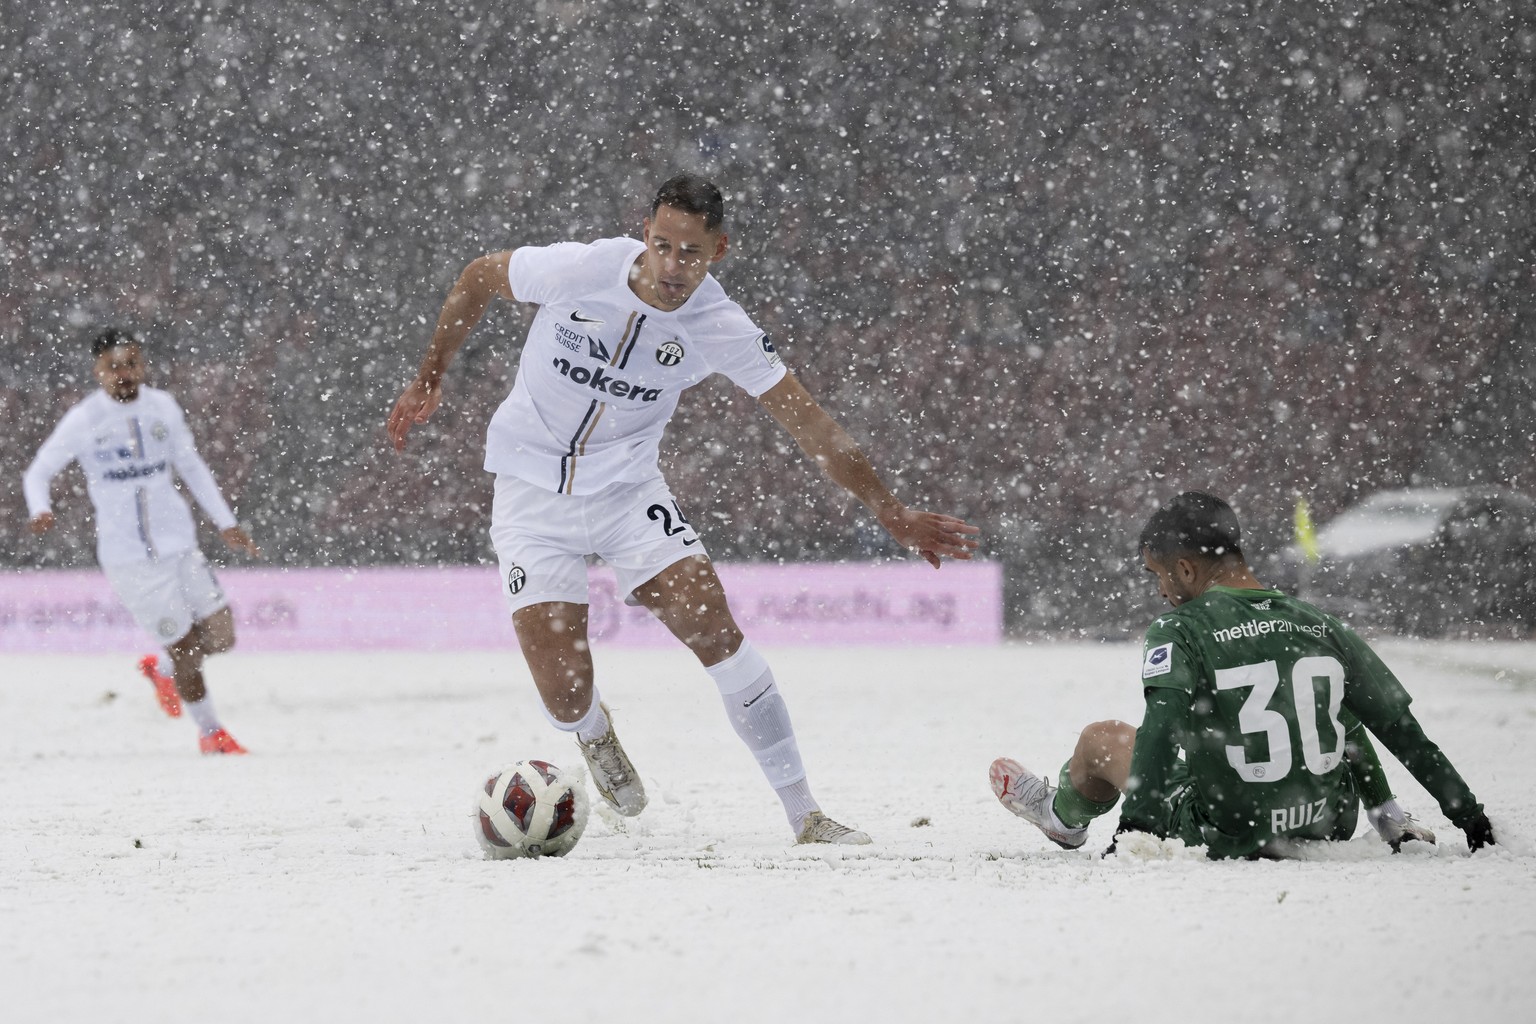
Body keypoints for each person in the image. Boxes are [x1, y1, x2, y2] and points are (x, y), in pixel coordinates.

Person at [388, 173, 979, 844]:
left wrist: (889, 510)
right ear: (646, 233)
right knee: (564, 694)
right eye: (663, 246)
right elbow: (479, 276)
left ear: (718, 251)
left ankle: (805, 813)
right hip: (529, 490)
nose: (673, 266)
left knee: (716, 632)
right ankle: (593, 732)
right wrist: (430, 373)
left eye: (690, 253)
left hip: (627, 493)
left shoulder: (720, 326)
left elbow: (810, 425)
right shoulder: (584, 269)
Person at [989, 490, 1496, 859]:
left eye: (1158, 575)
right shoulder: (1316, 621)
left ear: (1185, 570)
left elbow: (1162, 731)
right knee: (1329, 700)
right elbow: (1398, 731)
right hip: (1326, 822)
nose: (1161, 592)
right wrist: (1469, 821)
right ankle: (1389, 816)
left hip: (1232, 827)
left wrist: (1134, 832)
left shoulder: (1179, 627)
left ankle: (1062, 818)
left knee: (1102, 739)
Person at [23, 328, 261, 755]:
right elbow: (37, 471)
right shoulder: (84, 420)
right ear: (97, 372)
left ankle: (164, 669)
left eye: (131, 364)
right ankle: (211, 733)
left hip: (179, 545)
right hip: (131, 560)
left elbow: (191, 466)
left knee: (222, 636)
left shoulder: (162, 408)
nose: (124, 373)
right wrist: (40, 508)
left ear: (142, 365)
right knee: (187, 645)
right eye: (113, 367)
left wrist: (226, 522)